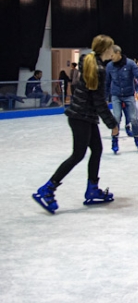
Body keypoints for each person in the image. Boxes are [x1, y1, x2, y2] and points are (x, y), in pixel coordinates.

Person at [32, 35, 119, 214]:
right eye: (111, 48)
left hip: (83, 115)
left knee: (97, 149)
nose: (113, 50)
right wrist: (112, 123)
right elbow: (99, 100)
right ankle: (47, 189)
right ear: (105, 49)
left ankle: (92, 188)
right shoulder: (98, 68)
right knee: (78, 155)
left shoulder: (89, 61)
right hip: (82, 116)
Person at [105, 45, 138, 153]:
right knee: (116, 118)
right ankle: (114, 140)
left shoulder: (130, 64)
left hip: (129, 95)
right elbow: (107, 83)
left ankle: (137, 139)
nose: (110, 57)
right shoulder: (109, 66)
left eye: (112, 55)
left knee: (133, 118)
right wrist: (105, 97)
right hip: (116, 95)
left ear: (118, 53)